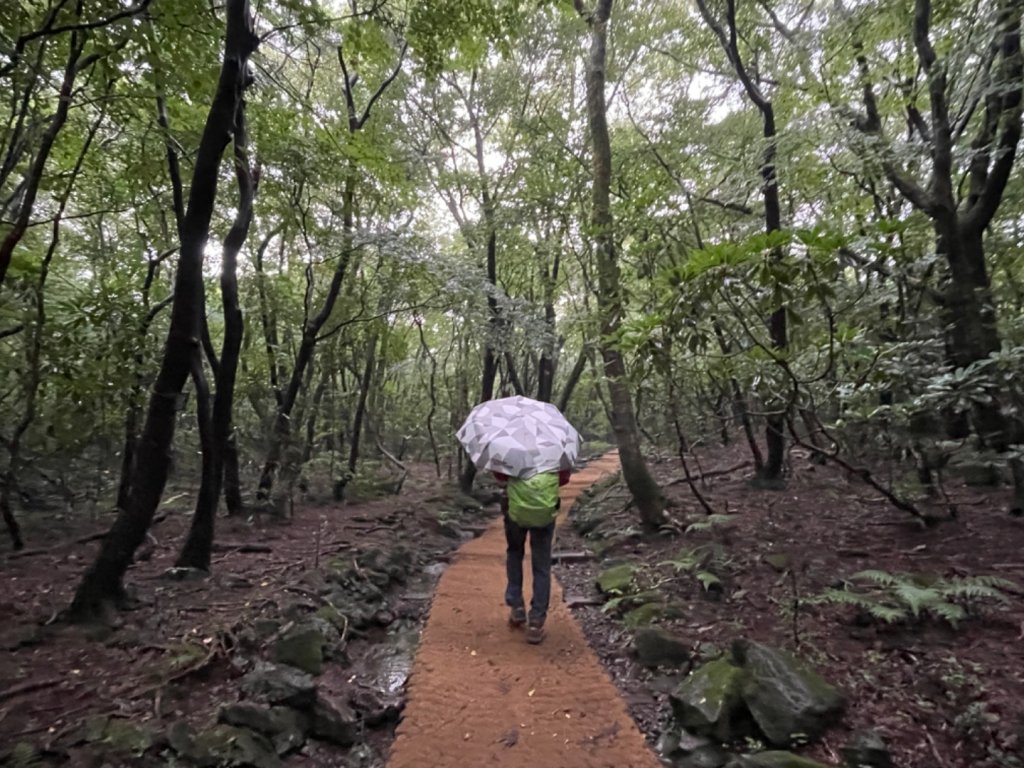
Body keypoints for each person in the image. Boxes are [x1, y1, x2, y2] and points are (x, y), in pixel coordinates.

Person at [493, 468, 571, 644]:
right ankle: (536, 621)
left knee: (514, 552)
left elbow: (499, 474)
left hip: (514, 506)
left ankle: (516, 606)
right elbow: (564, 478)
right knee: (542, 564)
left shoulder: (511, 450)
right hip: (544, 508)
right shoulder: (554, 451)